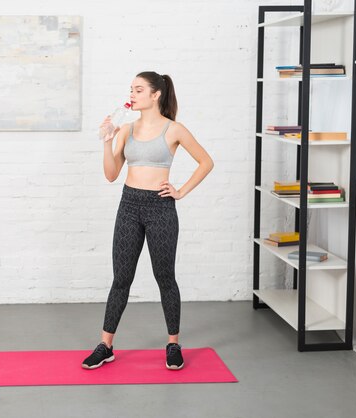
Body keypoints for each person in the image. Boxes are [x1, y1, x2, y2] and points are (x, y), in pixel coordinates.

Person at [82, 71, 214, 370]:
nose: (132, 94)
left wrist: (180, 191)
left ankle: (173, 344)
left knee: (165, 278)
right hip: (128, 205)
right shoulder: (126, 130)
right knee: (121, 279)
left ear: (156, 95)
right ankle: (105, 345)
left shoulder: (174, 130)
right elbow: (111, 174)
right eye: (131, 89)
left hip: (161, 208)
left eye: (138, 90)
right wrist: (107, 140)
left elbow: (206, 162)